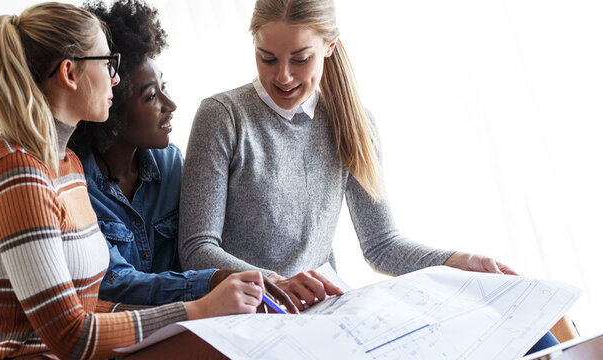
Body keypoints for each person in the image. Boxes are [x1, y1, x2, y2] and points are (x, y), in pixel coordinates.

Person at [176, 0, 557, 354]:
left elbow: (382, 245)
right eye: (268, 58)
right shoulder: (222, 117)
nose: (284, 76)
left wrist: (461, 260)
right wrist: (275, 280)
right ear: (254, 45)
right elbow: (196, 251)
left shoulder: (354, 121)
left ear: (329, 46)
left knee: (524, 329)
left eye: (300, 59)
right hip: (250, 322)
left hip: (325, 315)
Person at [0, 3, 268, 359]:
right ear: (70, 73)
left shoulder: (65, 163)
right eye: (107, 64)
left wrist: (204, 309)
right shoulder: (16, 173)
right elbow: (69, 335)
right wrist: (196, 310)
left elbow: (94, 308)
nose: (115, 78)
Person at [69, 0, 293, 309]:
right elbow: (117, 284)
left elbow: (206, 242)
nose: (170, 104)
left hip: (192, 324)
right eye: (151, 96)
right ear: (111, 103)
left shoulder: (170, 164)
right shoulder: (76, 186)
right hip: (126, 335)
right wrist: (213, 282)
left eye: (164, 87)